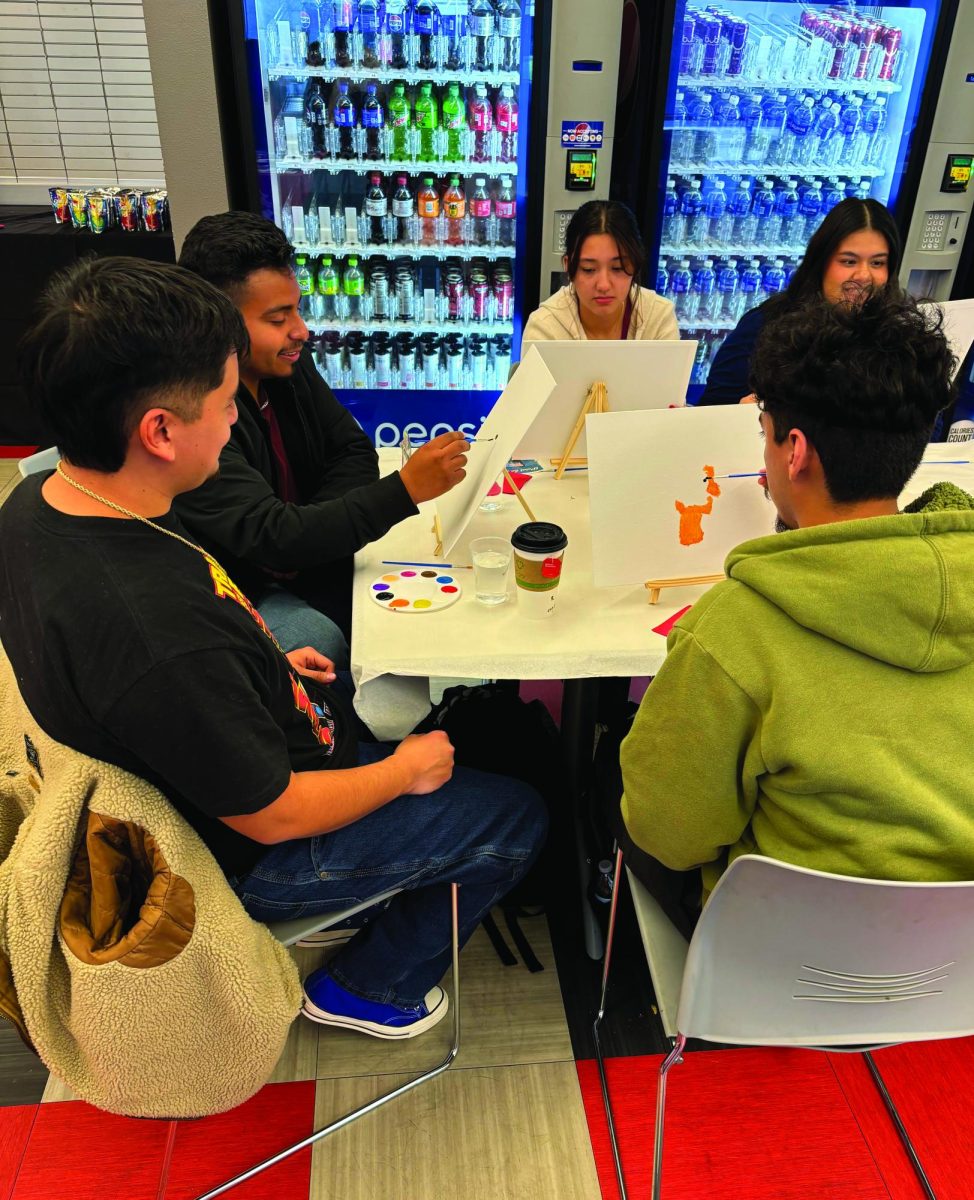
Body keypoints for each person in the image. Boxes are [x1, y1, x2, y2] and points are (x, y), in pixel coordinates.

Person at [0, 257, 547, 1040]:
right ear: (159, 429)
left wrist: (262, 666)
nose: (235, 423)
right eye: (225, 405)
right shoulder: (157, 634)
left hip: (237, 749)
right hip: (247, 856)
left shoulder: (40, 505)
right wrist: (400, 771)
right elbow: (273, 815)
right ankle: (368, 985)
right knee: (516, 814)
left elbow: (165, 681)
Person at [618, 288, 974, 931]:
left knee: (610, 796)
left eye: (764, 432)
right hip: (952, 971)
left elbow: (672, 836)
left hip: (778, 964)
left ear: (795, 451)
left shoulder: (731, 632)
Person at [174, 211, 469, 666]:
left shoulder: (286, 367)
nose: (300, 330)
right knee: (324, 636)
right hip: (239, 589)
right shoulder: (197, 414)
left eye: (296, 308)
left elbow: (351, 451)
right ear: (219, 323)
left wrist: (311, 531)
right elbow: (270, 536)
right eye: (278, 318)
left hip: (308, 563)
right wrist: (404, 491)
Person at [698, 197, 902, 406]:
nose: (863, 276)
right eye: (848, 261)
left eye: (877, 263)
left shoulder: (901, 337)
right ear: (821, 263)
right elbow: (711, 414)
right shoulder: (763, 326)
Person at [522, 200, 679, 343]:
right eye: (589, 269)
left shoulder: (658, 319)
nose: (603, 285)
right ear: (568, 266)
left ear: (635, 264)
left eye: (617, 268)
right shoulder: (545, 329)